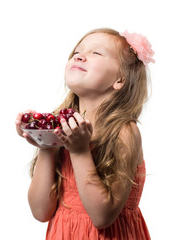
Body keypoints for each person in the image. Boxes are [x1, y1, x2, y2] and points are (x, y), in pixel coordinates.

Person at [16, 28, 155, 239]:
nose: (79, 56)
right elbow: (40, 211)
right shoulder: (61, 126)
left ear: (120, 79)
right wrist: (45, 143)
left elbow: (102, 217)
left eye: (96, 53)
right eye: (77, 52)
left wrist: (80, 151)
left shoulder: (124, 132)